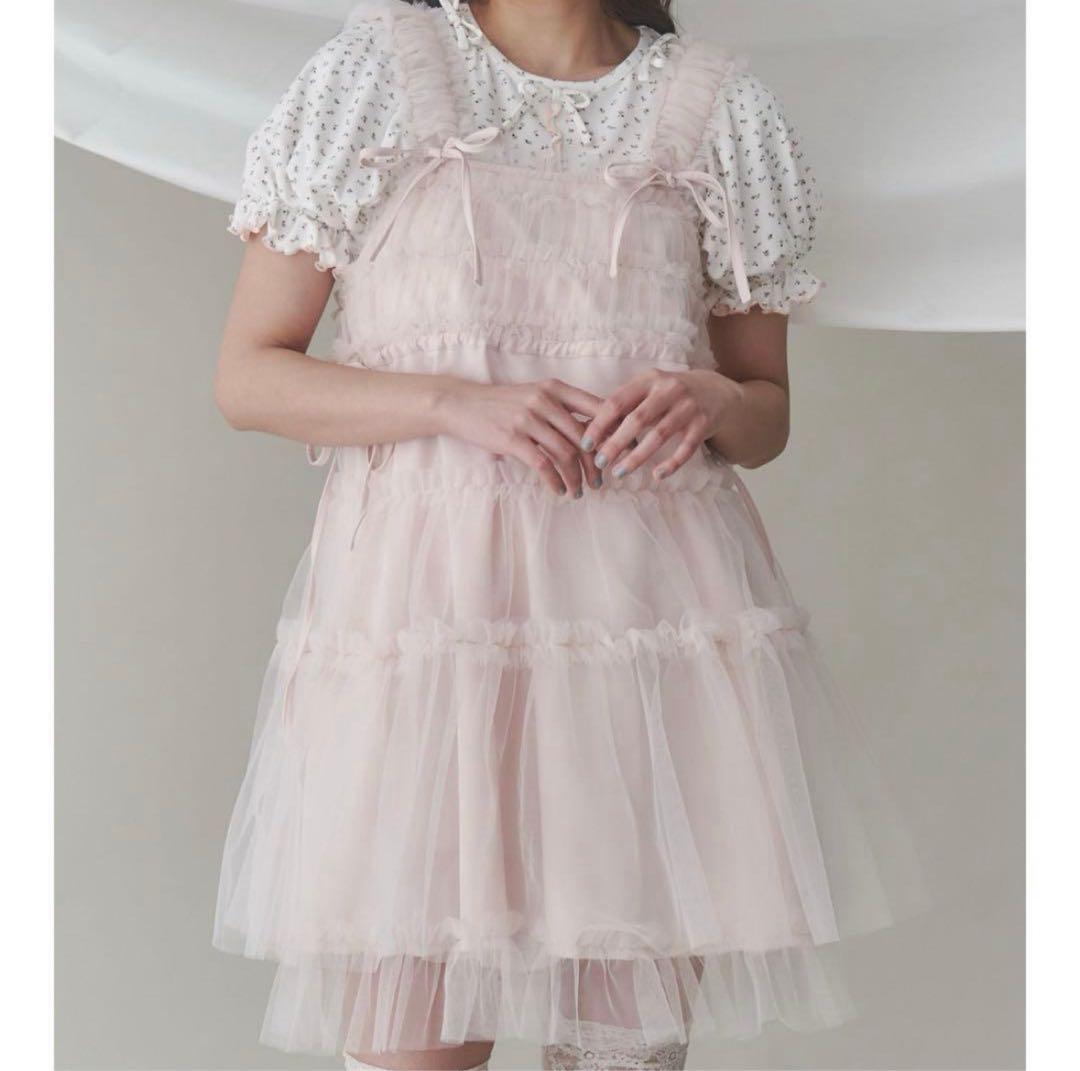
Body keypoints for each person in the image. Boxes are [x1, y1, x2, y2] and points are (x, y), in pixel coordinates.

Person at [212, 2, 922, 1068]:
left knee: (625, 1049)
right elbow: (249, 377)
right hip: (433, 634)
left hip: (648, 633)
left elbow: (764, 414)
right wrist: (450, 401)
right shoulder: (377, 73)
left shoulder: (720, 106)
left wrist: (713, 399)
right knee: (413, 1045)